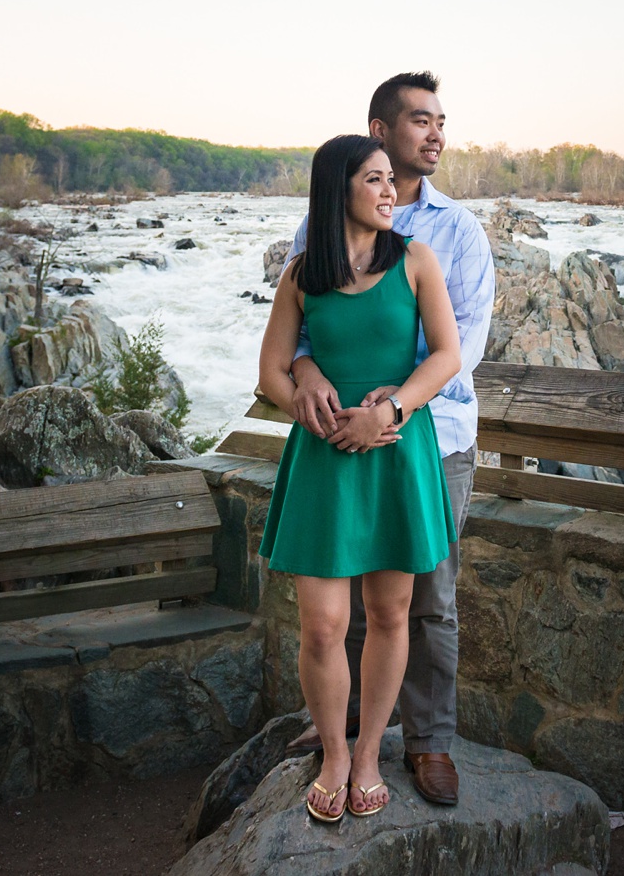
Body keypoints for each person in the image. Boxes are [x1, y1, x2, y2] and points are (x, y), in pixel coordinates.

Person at [284, 72, 494, 806]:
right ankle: (338, 738)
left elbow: (458, 343)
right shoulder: (315, 234)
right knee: (336, 605)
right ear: (380, 130)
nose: (436, 133)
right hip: (343, 440)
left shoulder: (453, 233)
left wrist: (389, 410)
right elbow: (302, 335)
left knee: (423, 601)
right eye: (419, 120)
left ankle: (428, 745)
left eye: (442, 121)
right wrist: (313, 375)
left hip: (427, 440)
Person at [256, 134, 462, 822]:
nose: (390, 191)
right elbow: (272, 373)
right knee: (322, 625)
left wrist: (391, 410)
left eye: (390, 180)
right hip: (324, 458)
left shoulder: (417, 261)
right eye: (373, 180)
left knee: (390, 614)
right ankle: (335, 756)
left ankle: (370, 752)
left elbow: (447, 357)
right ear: (336, 189)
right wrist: (306, 400)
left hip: (396, 448)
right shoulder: (301, 276)